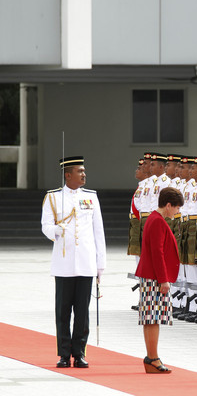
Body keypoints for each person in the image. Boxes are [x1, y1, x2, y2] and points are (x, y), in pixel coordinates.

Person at [41, 156, 106, 369]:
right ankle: (63, 354)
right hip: (63, 263)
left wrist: (100, 264)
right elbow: (45, 225)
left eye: (84, 170)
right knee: (62, 312)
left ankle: (79, 353)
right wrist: (56, 230)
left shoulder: (91, 197)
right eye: (80, 171)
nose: (84, 174)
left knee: (82, 312)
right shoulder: (53, 197)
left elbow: (99, 232)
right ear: (68, 175)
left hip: (86, 262)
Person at [135, 187, 184, 374]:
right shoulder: (157, 221)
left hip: (151, 276)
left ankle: (152, 357)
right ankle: (152, 358)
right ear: (168, 205)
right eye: (177, 208)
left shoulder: (154, 219)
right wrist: (164, 280)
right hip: (155, 277)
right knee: (153, 318)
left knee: (151, 319)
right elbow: (158, 253)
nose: (177, 212)